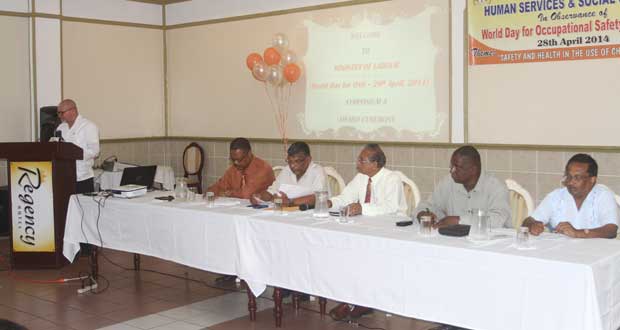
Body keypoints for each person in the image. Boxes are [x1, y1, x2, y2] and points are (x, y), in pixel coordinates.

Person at [328, 144, 407, 321]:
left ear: (376, 163)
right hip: (366, 229)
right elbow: (345, 198)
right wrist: (329, 203)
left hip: (391, 232)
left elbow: (390, 208)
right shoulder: (361, 177)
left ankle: (359, 302)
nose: (358, 163)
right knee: (347, 253)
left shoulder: (392, 178)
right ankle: (354, 299)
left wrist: (362, 207)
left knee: (363, 256)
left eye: (362, 160)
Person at [522, 153, 618, 238]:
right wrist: (532, 225)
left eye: (577, 178)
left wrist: (578, 233)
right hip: (560, 252)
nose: (571, 182)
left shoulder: (603, 195)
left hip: (595, 252)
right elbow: (528, 221)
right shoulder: (556, 196)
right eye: (569, 176)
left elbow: (611, 230)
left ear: (592, 180)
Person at [414, 145, 511, 229]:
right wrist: (422, 213)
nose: (452, 171)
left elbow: (497, 220)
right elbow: (429, 205)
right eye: (451, 166)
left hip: (489, 243)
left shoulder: (496, 187)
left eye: (457, 167)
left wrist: (459, 220)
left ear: (473, 170)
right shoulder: (448, 182)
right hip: (454, 241)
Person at [251, 141, 326, 207]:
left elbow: (318, 198)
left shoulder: (317, 171)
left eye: (297, 161)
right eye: (290, 161)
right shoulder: (286, 170)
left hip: (309, 215)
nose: (292, 165)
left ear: (308, 159)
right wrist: (259, 197)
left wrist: (290, 202)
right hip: (286, 214)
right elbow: (272, 192)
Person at [55, 99, 100, 194]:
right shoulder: (60, 128)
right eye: (58, 113)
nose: (59, 116)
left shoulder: (88, 126)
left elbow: (95, 151)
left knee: (81, 208)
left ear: (73, 110)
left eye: (62, 113)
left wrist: (74, 153)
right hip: (63, 177)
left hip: (82, 178)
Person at [207, 138, 275, 199]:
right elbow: (220, 185)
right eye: (233, 160)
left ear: (249, 154)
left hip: (260, 209)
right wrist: (212, 191)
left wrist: (227, 193)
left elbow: (246, 194)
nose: (236, 163)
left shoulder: (262, 168)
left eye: (239, 160)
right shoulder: (234, 168)